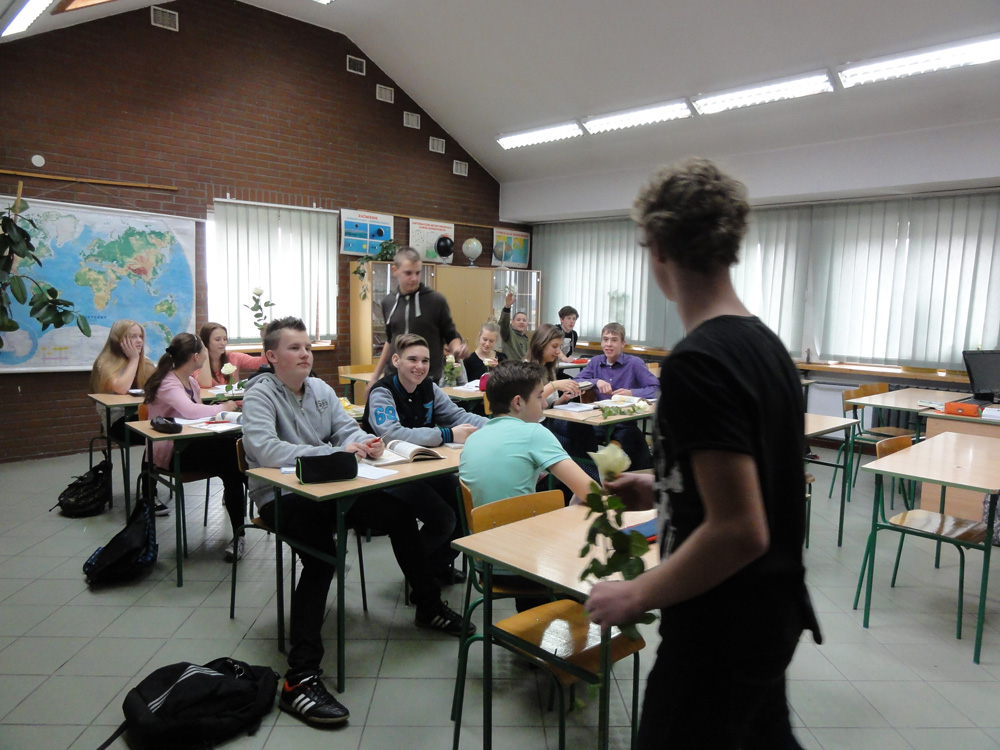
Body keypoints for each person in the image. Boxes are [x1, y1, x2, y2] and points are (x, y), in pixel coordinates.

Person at [584, 158, 821, 749]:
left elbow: (740, 529)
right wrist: (659, 486)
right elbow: (754, 485)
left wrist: (636, 591)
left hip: (720, 624)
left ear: (659, 248)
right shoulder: (765, 346)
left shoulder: (697, 364)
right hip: (770, 611)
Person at [241, 317, 474, 728]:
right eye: (295, 348)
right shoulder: (260, 394)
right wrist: (333, 453)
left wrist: (364, 442)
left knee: (399, 515)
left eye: (307, 347)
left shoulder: (319, 390)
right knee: (322, 558)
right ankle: (300, 677)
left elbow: (347, 429)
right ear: (271, 356)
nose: (305, 354)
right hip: (283, 495)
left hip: (335, 485)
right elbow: (264, 449)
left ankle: (427, 605)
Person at [460, 360, 593, 609]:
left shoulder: (474, 437)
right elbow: (592, 493)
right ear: (518, 403)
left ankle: (536, 612)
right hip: (525, 565)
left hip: (484, 560)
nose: (544, 404)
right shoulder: (535, 433)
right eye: (540, 396)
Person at [363, 333, 488, 580]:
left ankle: (435, 568)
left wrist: (497, 426)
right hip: (390, 474)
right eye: (412, 359)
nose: (419, 366)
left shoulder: (429, 388)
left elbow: (458, 416)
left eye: (425, 361)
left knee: (466, 507)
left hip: (424, 467)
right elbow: (392, 434)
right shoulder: (382, 392)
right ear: (396, 361)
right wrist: (447, 434)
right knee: (444, 519)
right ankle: (420, 573)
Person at [143, 333, 246, 560]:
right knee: (232, 458)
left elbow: (198, 419)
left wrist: (219, 414)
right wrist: (223, 408)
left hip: (191, 446)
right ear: (196, 357)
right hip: (171, 453)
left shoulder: (190, 382)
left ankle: (240, 532)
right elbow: (190, 412)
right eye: (205, 351)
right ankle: (253, 514)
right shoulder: (168, 382)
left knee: (232, 458)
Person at [367, 246, 466, 392]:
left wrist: (457, 349)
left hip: (426, 379)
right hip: (394, 378)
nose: (414, 278)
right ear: (395, 271)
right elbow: (390, 340)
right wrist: (375, 378)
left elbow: (450, 334)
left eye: (418, 273)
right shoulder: (388, 302)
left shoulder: (435, 301)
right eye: (408, 273)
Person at [572, 322, 659, 469]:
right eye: (605, 339)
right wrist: (596, 381)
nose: (609, 344)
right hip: (599, 421)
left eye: (614, 340)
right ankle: (586, 474)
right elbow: (575, 381)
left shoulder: (634, 364)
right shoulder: (596, 362)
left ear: (623, 343)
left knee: (636, 446)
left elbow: (656, 388)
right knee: (576, 436)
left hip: (624, 423)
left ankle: (638, 475)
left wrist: (631, 393)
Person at [89, 319, 157, 440]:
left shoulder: (145, 362)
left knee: (171, 429)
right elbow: (121, 389)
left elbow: (156, 386)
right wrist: (134, 359)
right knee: (156, 434)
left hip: (142, 415)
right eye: (133, 337)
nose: (139, 341)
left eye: (141, 336)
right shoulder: (104, 363)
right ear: (119, 340)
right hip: (117, 420)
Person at [195, 322, 266, 388]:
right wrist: (204, 352)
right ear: (206, 341)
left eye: (225, 339)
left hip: (234, 397)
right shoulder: (197, 361)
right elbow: (205, 384)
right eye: (217, 339)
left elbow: (261, 363)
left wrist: (265, 340)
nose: (223, 343)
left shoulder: (234, 357)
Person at [527, 324, 582, 407]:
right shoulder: (525, 369)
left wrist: (565, 398)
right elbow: (531, 403)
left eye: (560, 347)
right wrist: (554, 385)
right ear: (540, 345)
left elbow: (551, 405)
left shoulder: (549, 368)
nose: (558, 351)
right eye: (554, 346)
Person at [498, 291, 530, 362]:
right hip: (511, 367)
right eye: (518, 320)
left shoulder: (528, 341)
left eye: (524, 320)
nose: (521, 322)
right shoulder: (508, 334)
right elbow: (503, 323)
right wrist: (507, 307)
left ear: (527, 323)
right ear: (512, 322)